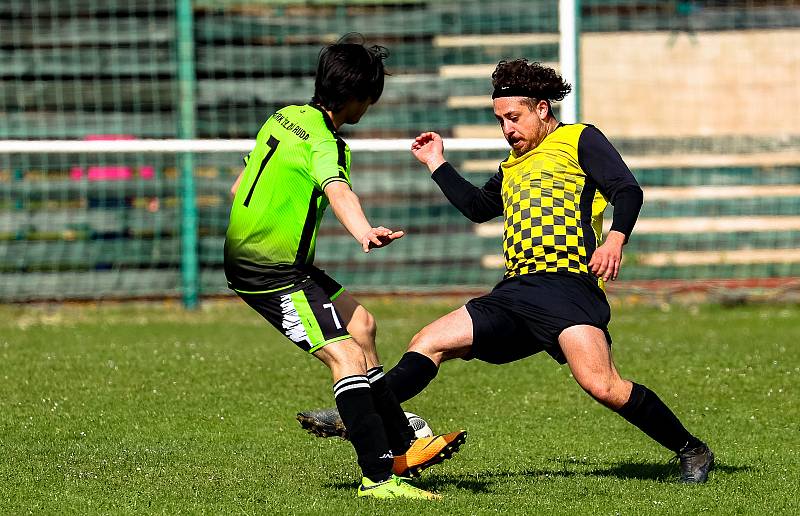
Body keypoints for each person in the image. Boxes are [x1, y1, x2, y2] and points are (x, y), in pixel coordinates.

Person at [296, 59, 714, 484]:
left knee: (603, 385)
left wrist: (615, 239)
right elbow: (479, 208)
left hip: (568, 287)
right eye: (500, 121)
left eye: (513, 118)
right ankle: (360, 413)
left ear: (542, 110)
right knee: (430, 341)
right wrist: (437, 164)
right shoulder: (512, 165)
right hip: (514, 292)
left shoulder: (579, 139)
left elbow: (627, 189)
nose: (507, 129)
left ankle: (691, 449)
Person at [224, 35, 466, 500]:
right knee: (346, 357)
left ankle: (401, 444)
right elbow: (338, 189)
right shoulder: (327, 142)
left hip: (271, 259)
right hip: (269, 271)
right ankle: (378, 478)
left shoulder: (285, 117)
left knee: (363, 327)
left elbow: (239, 188)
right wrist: (363, 232)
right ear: (359, 97)